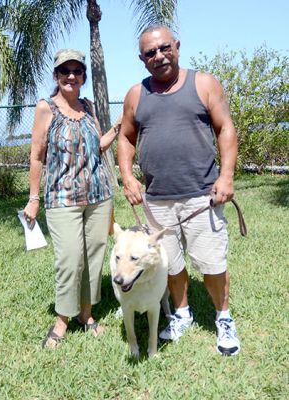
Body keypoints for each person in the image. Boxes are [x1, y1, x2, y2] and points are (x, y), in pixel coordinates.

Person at [117, 26, 240, 356]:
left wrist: (226, 176)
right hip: (156, 200)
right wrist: (128, 176)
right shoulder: (135, 94)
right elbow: (126, 137)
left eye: (164, 48)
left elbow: (225, 128)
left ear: (177, 46)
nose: (158, 56)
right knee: (170, 265)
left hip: (202, 195)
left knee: (211, 263)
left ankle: (223, 318)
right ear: (142, 60)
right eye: (150, 53)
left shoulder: (203, 83)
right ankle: (182, 314)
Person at [24, 48, 120, 348]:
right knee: (69, 259)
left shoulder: (89, 107)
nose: (71, 76)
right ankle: (63, 319)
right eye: (65, 71)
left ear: (83, 77)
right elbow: (37, 156)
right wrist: (34, 197)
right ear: (56, 76)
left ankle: (86, 314)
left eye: (77, 71)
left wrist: (118, 126)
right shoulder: (46, 108)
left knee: (93, 257)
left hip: (98, 195)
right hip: (61, 198)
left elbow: (98, 146)